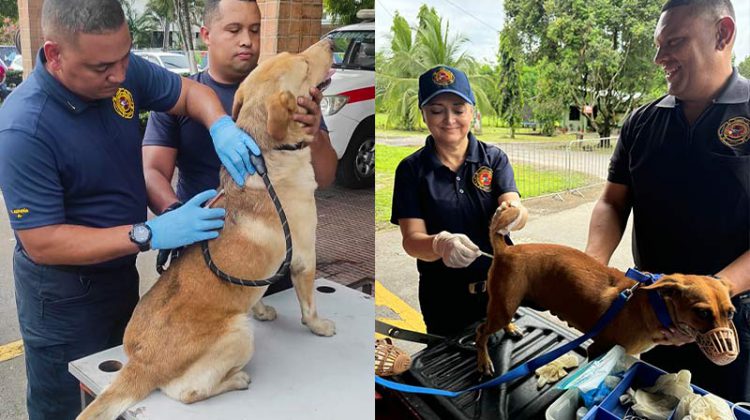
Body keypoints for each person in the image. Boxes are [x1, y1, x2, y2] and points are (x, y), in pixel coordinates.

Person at [0, 0, 265, 418]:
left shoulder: (121, 70)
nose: (120, 75)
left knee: (127, 395)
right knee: (69, 404)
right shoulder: (23, 128)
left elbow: (192, 93)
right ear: (54, 54)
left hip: (120, 276)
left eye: (125, 56)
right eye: (102, 67)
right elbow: (42, 242)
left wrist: (219, 125)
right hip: (63, 300)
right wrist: (149, 233)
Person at [585, 0, 750, 402]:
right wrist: (591, 269)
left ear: (723, 34)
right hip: (648, 315)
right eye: (659, 45)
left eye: (674, 42)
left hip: (728, 321)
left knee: (716, 410)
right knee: (639, 405)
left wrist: (713, 291)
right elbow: (612, 202)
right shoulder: (642, 121)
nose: (660, 57)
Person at [142, 0, 336, 293]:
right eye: (234, 30)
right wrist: (176, 213)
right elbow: (153, 170)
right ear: (206, 35)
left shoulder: (284, 85)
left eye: (255, 30)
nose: (247, 40)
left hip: (273, 257)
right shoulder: (178, 99)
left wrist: (315, 134)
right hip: (206, 256)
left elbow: (325, 177)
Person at [390, 66, 528, 337]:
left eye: (458, 108)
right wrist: (440, 244)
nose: (449, 119)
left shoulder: (493, 159)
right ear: (424, 115)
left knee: (504, 364)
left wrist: (516, 214)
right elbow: (411, 240)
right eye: (437, 110)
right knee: (448, 370)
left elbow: (513, 204)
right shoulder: (411, 170)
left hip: (500, 287)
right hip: (443, 297)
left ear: (473, 112)